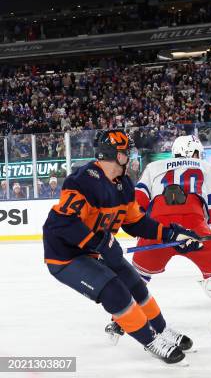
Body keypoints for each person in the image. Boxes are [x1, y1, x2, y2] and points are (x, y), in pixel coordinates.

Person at [42, 129, 202, 364]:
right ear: (114, 155)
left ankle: (161, 330)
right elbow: (62, 224)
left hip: (95, 249)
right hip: (65, 256)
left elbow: (135, 222)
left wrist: (172, 234)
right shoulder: (83, 180)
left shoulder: (124, 184)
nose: (130, 157)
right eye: (126, 152)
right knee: (114, 289)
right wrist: (98, 242)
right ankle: (151, 340)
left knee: (135, 283)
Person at [110, 134, 211, 339]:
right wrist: (202, 219)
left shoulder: (153, 167)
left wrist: (146, 224)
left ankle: (118, 323)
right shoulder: (206, 167)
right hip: (193, 227)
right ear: (192, 152)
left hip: (157, 228)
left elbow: (138, 202)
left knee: (138, 277)